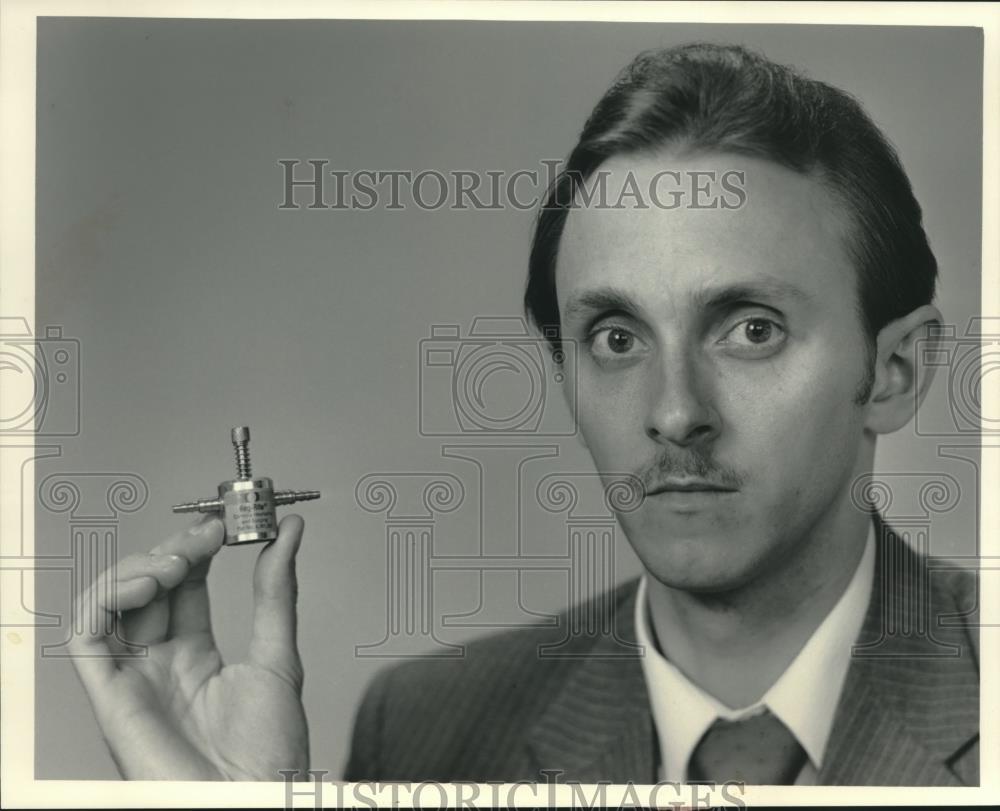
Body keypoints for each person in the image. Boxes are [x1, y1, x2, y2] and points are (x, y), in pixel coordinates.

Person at [70, 43, 979, 786]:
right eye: (617, 340)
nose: (673, 412)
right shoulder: (421, 734)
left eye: (750, 329)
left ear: (894, 370)